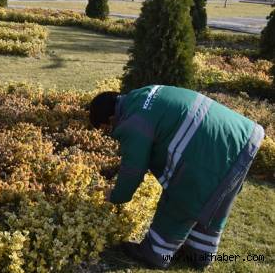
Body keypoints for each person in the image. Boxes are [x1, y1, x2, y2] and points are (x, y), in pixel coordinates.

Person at [89, 85, 263, 270]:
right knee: (216, 203)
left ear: (111, 118)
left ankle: (155, 253)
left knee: (180, 200)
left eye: (106, 129)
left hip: (208, 155)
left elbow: (133, 168)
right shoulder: (144, 94)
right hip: (241, 139)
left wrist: (116, 195)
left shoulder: (134, 121)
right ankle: (200, 254)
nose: (110, 133)